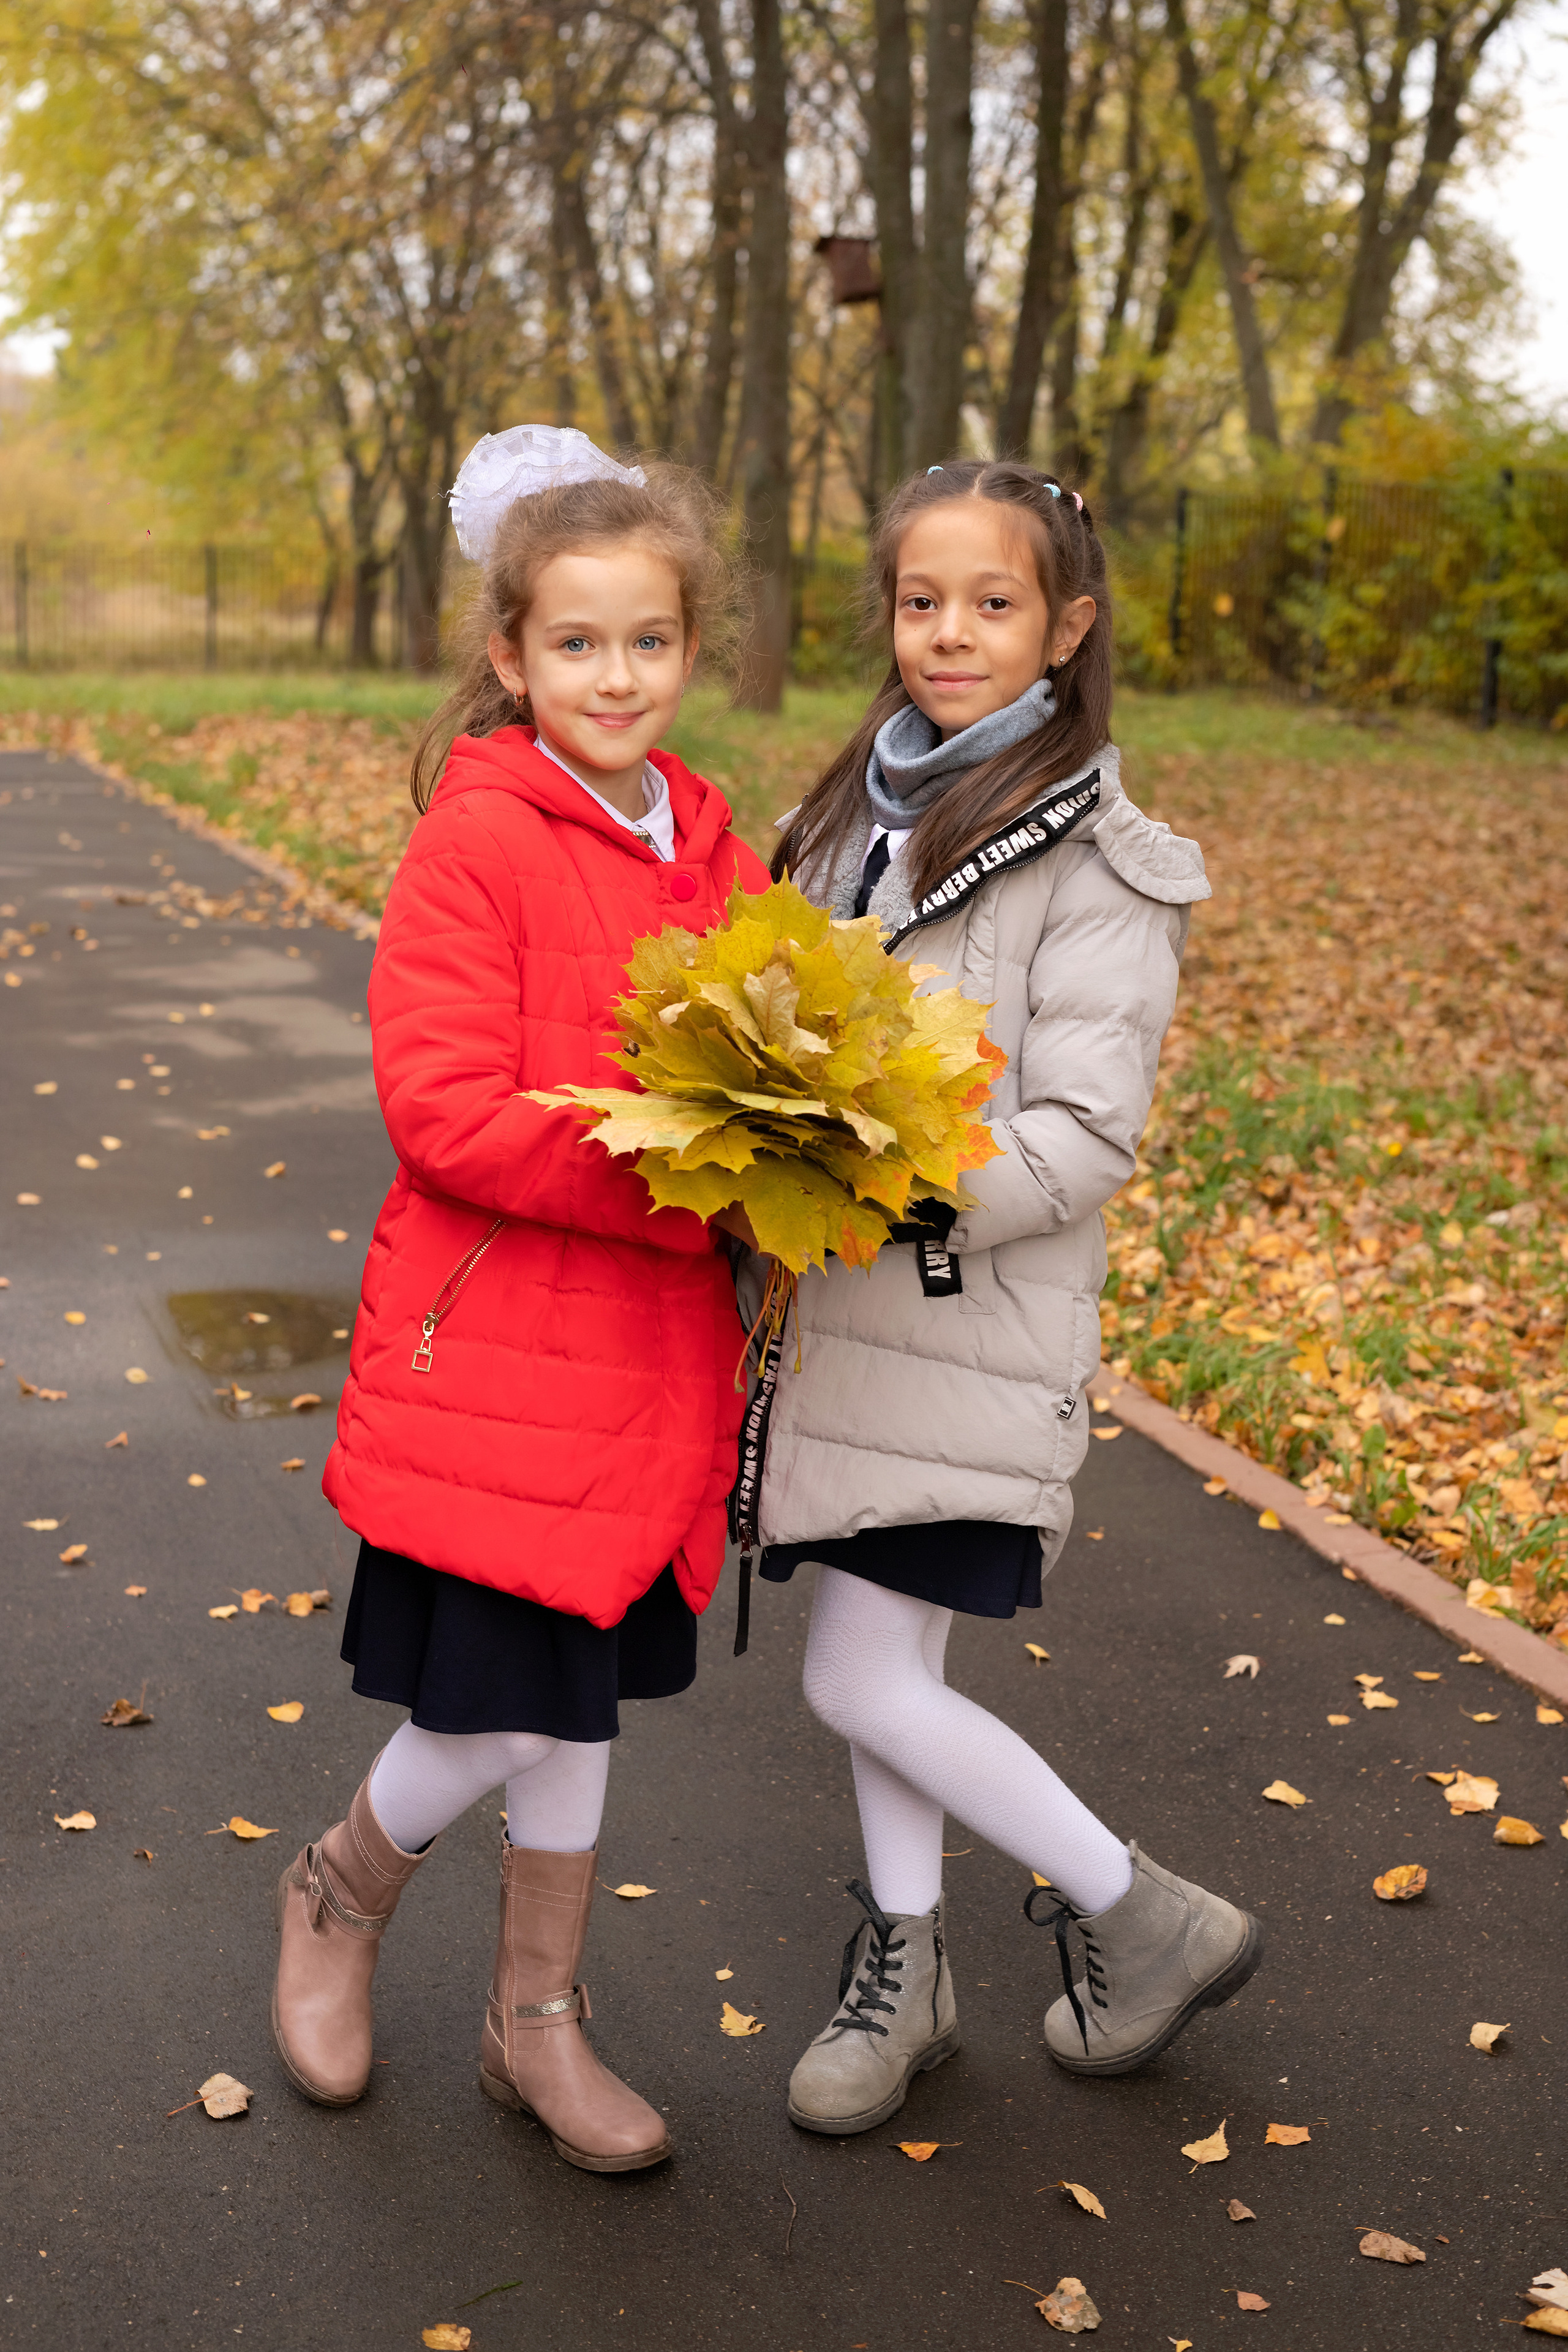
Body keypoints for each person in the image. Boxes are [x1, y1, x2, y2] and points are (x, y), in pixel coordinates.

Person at [272, 426, 768, 2174]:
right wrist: (681, 1180)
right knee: (488, 1701)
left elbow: (776, 1049)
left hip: (653, 1363)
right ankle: (338, 1890)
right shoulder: (475, 842)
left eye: (648, 641)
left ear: (690, 649)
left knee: (577, 1694)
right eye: (576, 642)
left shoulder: (716, 848)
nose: (615, 676)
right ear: (511, 655)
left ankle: (533, 2020)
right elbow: (447, 1111)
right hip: (500, 1360)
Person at [757, 458, 1262, 2137]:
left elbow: (1083, 1137)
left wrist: (875, 1181)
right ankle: (909, 1973)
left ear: (1068, 628)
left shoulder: (1106, 862)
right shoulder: (845, 820)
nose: (950, 633)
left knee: (857, 1677)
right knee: (882, 1661)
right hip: (843, 1326)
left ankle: (1141, 1911)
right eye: (922, 601)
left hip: (962, 1325)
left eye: (993, 603)